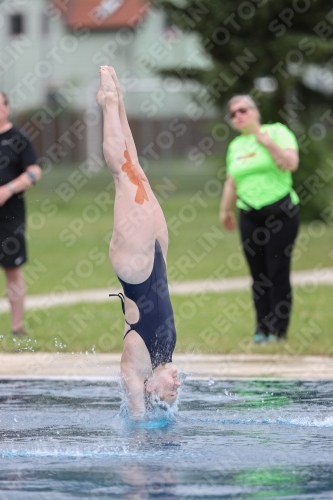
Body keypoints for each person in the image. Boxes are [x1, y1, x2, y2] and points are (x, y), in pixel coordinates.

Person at [96, 66, 180, 420]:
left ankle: (108, 103)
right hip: (155, 258)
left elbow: (136, 420)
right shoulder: (164, 358)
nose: (178, 385)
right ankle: (119, 103)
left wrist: (139, 415)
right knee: (137, 170)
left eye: (170, 391)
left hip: (135, 268)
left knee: (123, 175)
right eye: (178, 389)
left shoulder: (137, 367)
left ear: (149, 388)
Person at [219, 95, 299, 343]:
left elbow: (291, 163)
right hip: (250, 214)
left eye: (242, 110)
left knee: (277, 270)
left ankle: (279, 331)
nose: (238, 116)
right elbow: (232, 181)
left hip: (281, 212)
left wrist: (269, 144)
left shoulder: (277, 132)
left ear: (255, 112)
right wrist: (225, 210)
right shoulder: (236, 146)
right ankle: (262, 329)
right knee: (258, 274)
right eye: (233, 114)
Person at [0, 91, 42, 337]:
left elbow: (35, 171)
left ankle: (17, 328)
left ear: (6, 108)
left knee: (12, 270)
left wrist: (8, 189)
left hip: (10, 216)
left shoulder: (19, 138)